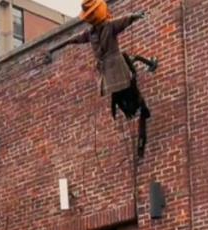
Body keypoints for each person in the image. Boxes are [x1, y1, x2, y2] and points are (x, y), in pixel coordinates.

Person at [48, 0, 158, 158]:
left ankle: (139, 109)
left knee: (126, 89)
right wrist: (55, 47)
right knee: (122, 92)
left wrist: (137, 15)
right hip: (109, 69)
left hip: (114, 67)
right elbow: (73, 39)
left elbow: (125, 20)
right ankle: (135, 109)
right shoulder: (93, 32)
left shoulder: (107, 27)